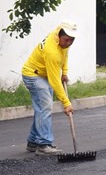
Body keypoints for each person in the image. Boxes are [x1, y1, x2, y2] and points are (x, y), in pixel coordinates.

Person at [21, 21, 77, 155]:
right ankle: (44, 144)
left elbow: (65, 55)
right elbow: (54, 81)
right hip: (33, 75)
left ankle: (33, 141)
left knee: (42, 108)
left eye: (71, 40)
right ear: (59, 36)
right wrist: (66, 103)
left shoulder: (63, 38)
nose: (68, 43)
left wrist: (64, 72)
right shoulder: (51, 51)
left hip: (43, 74)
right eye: (66, 40)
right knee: (45, 107)